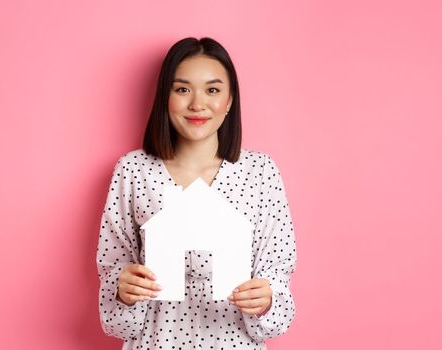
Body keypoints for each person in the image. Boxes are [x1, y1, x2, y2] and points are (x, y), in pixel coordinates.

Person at [96, 37, 297, 349]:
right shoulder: (133, 170)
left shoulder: (260, 172)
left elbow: (277, 285)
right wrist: (122, 290)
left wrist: (267, 300)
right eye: (182, 89)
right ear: (166, 97)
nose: (197, 104)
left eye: (213, 90)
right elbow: (114, 274)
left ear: (230, 100)